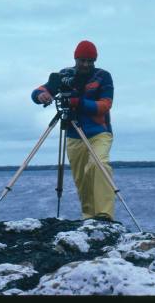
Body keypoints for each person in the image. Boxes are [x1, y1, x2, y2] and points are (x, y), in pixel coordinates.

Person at [31, 40, 115, 221]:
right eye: (82, 60)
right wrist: (41, 95)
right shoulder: (64, 75)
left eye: (90, 61)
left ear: (95, 60)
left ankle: (104, 215)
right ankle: (88, 217)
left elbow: (104, 106)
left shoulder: (103, 77)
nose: (85, 64)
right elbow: (42, 89)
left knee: (98, 164)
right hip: (73, 134)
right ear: (75, 59)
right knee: (81, 179)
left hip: (99, 132)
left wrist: (77, 102)